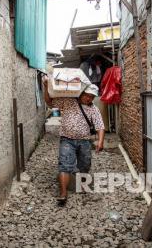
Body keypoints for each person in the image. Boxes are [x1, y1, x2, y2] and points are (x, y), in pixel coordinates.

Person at [43, 77, 105, 207]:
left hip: (85, 141)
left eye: (92, 97)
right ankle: (63, 193)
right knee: (65, 164)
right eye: (87, 96)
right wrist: (46, 87)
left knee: (85, 164)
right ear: (81, 93)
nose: (89, 99)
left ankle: (82, 184)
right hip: (67, 139)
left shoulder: (94, 109)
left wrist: (100, 141)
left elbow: (100, 125)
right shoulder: (69, 101)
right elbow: (50, 102)